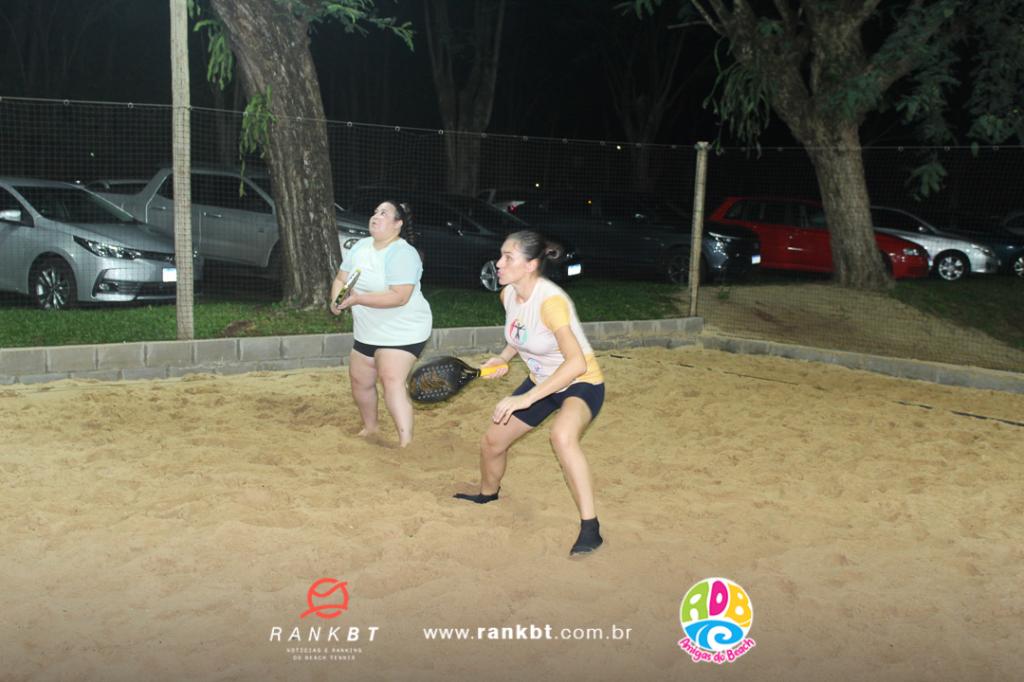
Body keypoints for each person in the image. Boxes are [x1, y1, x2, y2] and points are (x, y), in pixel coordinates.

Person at [454, 230, 606, 555]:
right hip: (542, 381)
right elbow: (520, 335)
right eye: (501, 255)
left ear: (531, 265)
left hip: (580, 383)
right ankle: (487, 494)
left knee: (562, 437)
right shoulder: (508, 294)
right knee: (492, 442)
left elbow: (576, 363)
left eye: (508, 257)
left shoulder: (551, 302)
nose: (498, 263)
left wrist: (525, 398)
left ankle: (590, 527)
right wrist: (503, 358)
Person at [330, 200, 432, 448]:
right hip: (368, 329)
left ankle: (406, 442)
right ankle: (370, 428)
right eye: (375, 212)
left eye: (384, 213)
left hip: (403, 329)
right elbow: (341, 278)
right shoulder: (360, 246)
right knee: (360, 380)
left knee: (390, 379)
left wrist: (358, 299)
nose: (375, 216)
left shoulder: (403, 253)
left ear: (398, 224)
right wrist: (335, 300)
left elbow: (399, 297)